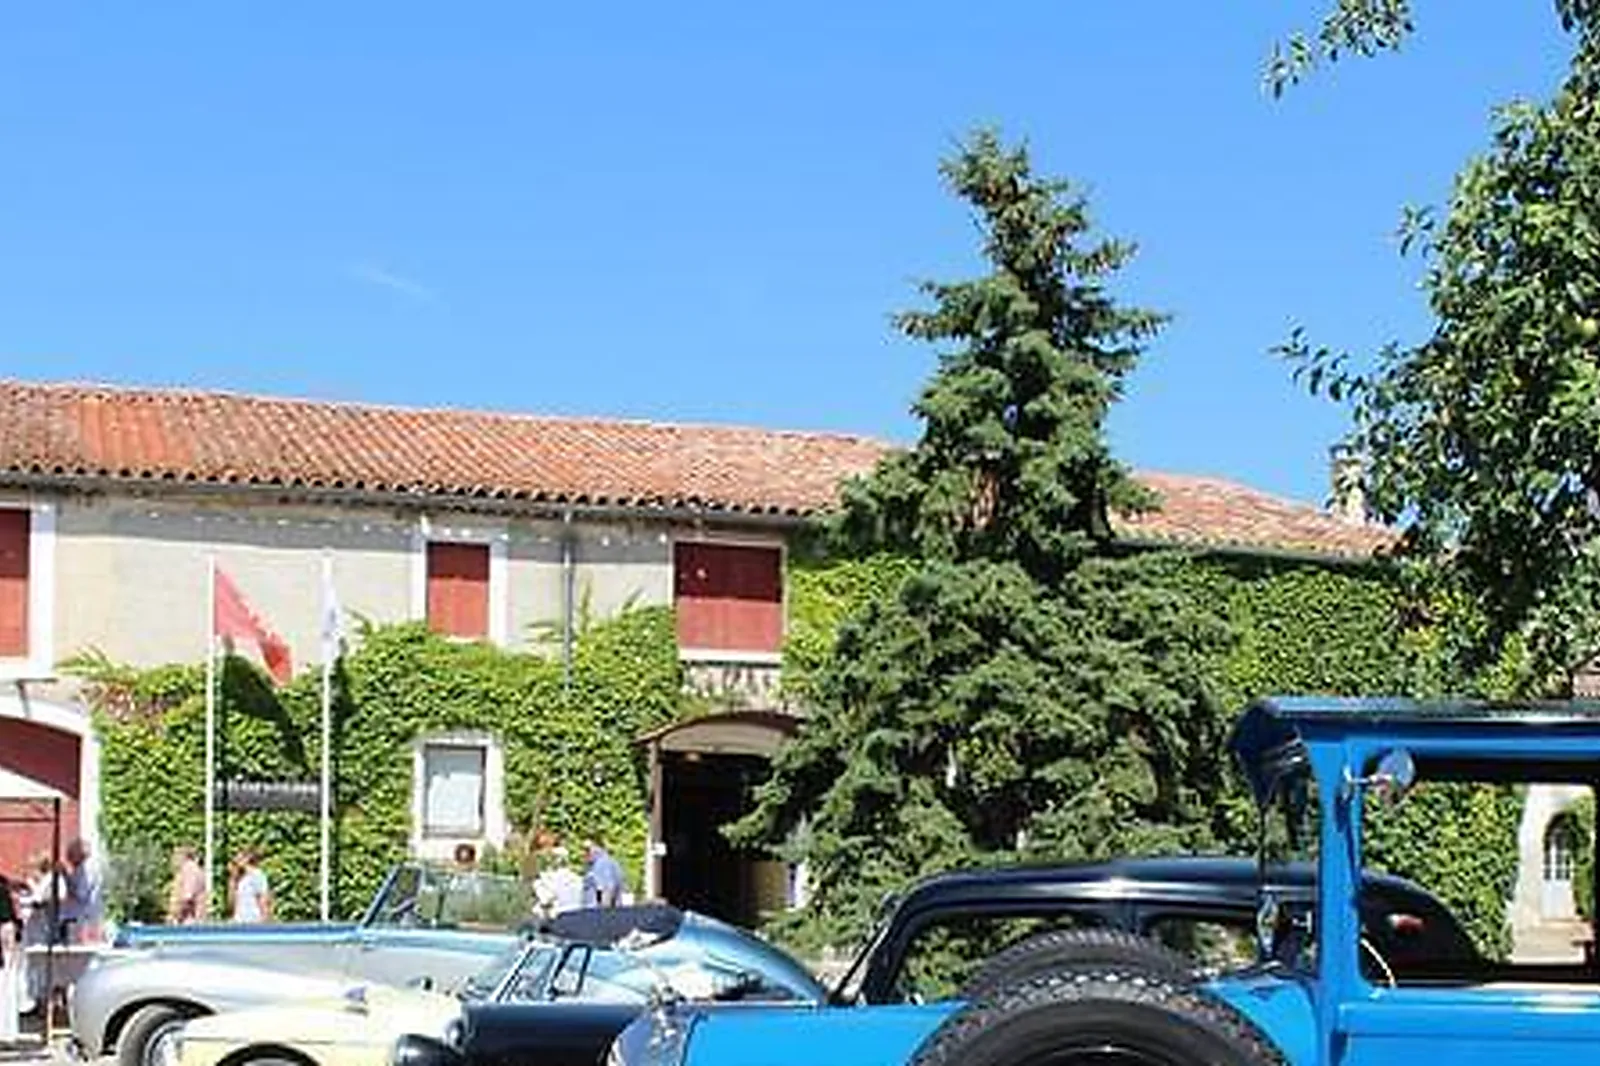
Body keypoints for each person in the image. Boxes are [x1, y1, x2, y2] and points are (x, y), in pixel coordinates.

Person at [60, 838, 102, 944]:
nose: (68, 859)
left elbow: (80, 894)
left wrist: (65, 876)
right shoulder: (82, 869)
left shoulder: (86, 870)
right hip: (78, 918)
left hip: (79, 920)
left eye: (70, 855)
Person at [532, 845, 585, 918]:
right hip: (577, 917)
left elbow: (545, 900)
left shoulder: (547, 879)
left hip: (558, 919)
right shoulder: (578, 879)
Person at [229, 849, 273, 924]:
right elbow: (231, 904)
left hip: (254, 922)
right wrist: (232, 880)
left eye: (239, 857)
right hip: (239, 922)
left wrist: (265, 921)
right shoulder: (239, 878)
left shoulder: (257, 875)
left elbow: (264, 900)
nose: (235, 860)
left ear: (247, 859)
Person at [167, 846, 208, 924]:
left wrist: (174, 916)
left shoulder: (189, 870)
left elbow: (187, 897)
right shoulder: (190, 869)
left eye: (175, 855)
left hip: (189, 923)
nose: (173, 860)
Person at [582, 837, 625, 908]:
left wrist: (603, 915)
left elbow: (606, 890)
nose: (584, 853)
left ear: (598, 848)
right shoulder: (610, 863)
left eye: (587, 849)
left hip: (596, 914)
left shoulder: (601, 864)